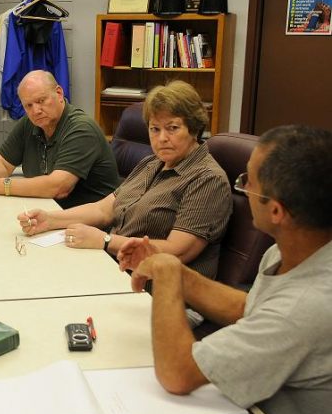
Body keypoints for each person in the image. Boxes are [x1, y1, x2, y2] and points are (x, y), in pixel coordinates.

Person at [121, 125, 332, 414]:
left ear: (276, 211)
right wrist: (177, 270)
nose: (243, 188)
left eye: (247, 182)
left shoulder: (306, 306)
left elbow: (177, 375)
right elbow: (253, 307)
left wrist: (164, 274)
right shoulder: (297, 248)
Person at [18, 80, 231, 280]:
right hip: (117, 271)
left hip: (163, 293)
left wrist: (106, 241)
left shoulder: (207, 179)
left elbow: (177, 252)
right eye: (155, 129)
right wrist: (50, 219)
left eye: (172, 128)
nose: (162, 138)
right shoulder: (152, 163)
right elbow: (104, 210)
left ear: (193, 128)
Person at [0, 70, 119, 209]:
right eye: (28, 105)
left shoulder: (81, 129)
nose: (36, 111)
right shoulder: (29, 123)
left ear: (59, 94)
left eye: (41, 101)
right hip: (47, 212)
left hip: (88, 224)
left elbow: (59, 187)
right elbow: (3, 163)